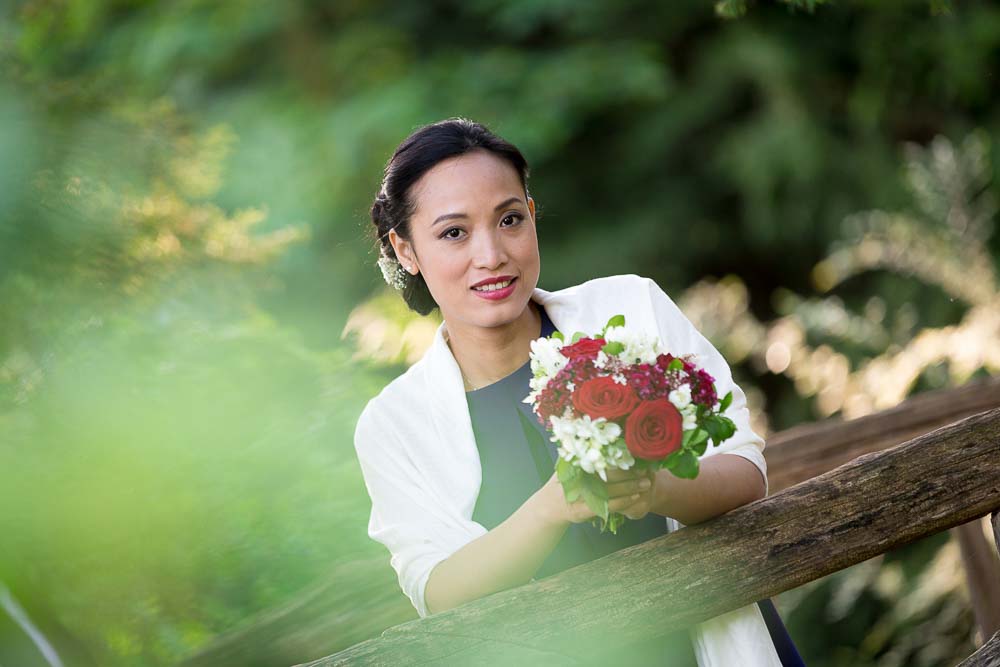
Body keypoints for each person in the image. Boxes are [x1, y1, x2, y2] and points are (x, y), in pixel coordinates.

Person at [354, 117, 805, 665]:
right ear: (406, 250)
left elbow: (745, 474)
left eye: (510, 219)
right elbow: (437, 591)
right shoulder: (394, 424)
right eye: (454, 233)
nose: (491, 254)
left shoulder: (630, 310)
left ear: (533, 215)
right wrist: (550, 509)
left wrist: (653, 488)